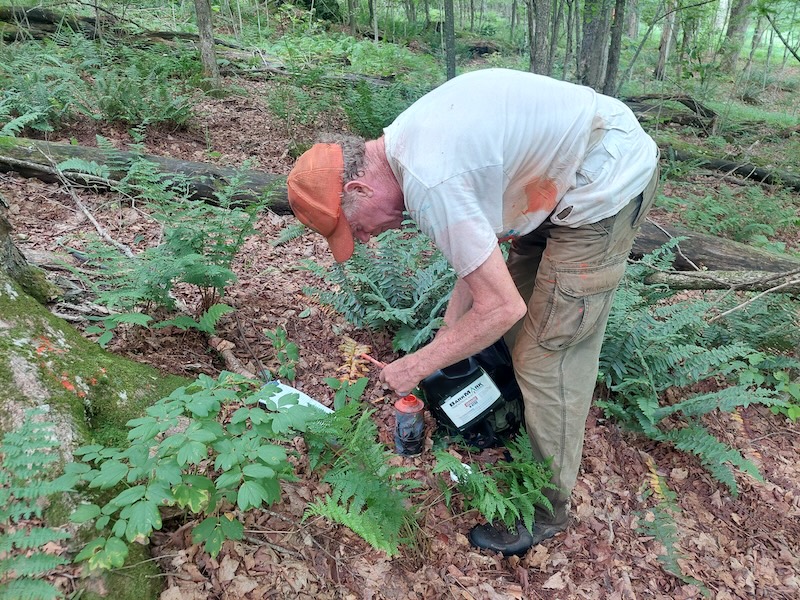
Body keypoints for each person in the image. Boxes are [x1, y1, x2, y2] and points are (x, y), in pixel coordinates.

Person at [286, 68, 659, 556]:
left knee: (548, 355)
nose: (364, 240)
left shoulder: (430, 177)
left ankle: (545, 509)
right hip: (556, 183)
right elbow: (482, 253)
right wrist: (446, 334)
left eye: (354, 229)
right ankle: (518, 432)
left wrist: (417, 365)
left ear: (358, 190)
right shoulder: (409, 147)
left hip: (604, 182)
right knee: (513, 333)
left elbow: (501, 306)